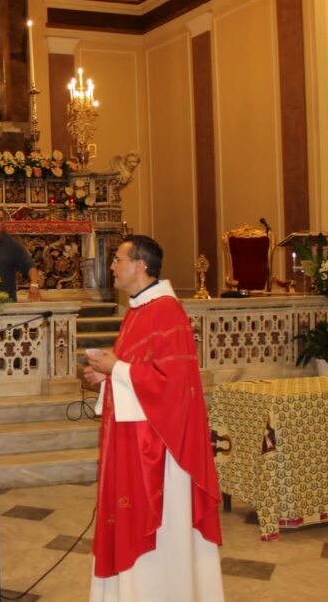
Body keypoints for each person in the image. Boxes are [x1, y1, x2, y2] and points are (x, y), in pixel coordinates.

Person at [83, 235, 224, 601]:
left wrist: (117, 369)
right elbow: (137, 368)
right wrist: (107, 374)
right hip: (133, 440)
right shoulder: (139, 310)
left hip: (160, 450)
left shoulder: (166, 311)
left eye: (118, 259)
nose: (112, 266)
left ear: (140, 265)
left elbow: (173, 385)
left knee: (158, 532)